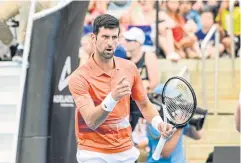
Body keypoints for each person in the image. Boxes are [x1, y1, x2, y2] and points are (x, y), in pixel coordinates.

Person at [68, 14, 176, 163]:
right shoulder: (79, 77)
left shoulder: (129, 68)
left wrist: (159, 124)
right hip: (93, 154)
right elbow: (91, 121)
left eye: (114, 37)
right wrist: (113, 97)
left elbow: (144, 105)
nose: (110, 43)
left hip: (125, 152)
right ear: (93, 38)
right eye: (105, 37)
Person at [146, 86, 202, 163]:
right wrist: (179, 128)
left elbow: (197, 136)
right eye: (172, 100)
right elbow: (165, 153)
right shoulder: (155, 123)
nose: (175, 104)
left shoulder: (175, 118)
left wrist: (193, 118)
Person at [122, 27, 159, 131]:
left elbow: (153, 83)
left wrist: (139, 86)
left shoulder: (148, 56)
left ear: (138, 43)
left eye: (129, 40)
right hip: (129, 102)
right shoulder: (125, 59)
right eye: (126, 40)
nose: (125, 42)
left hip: (144, 100)